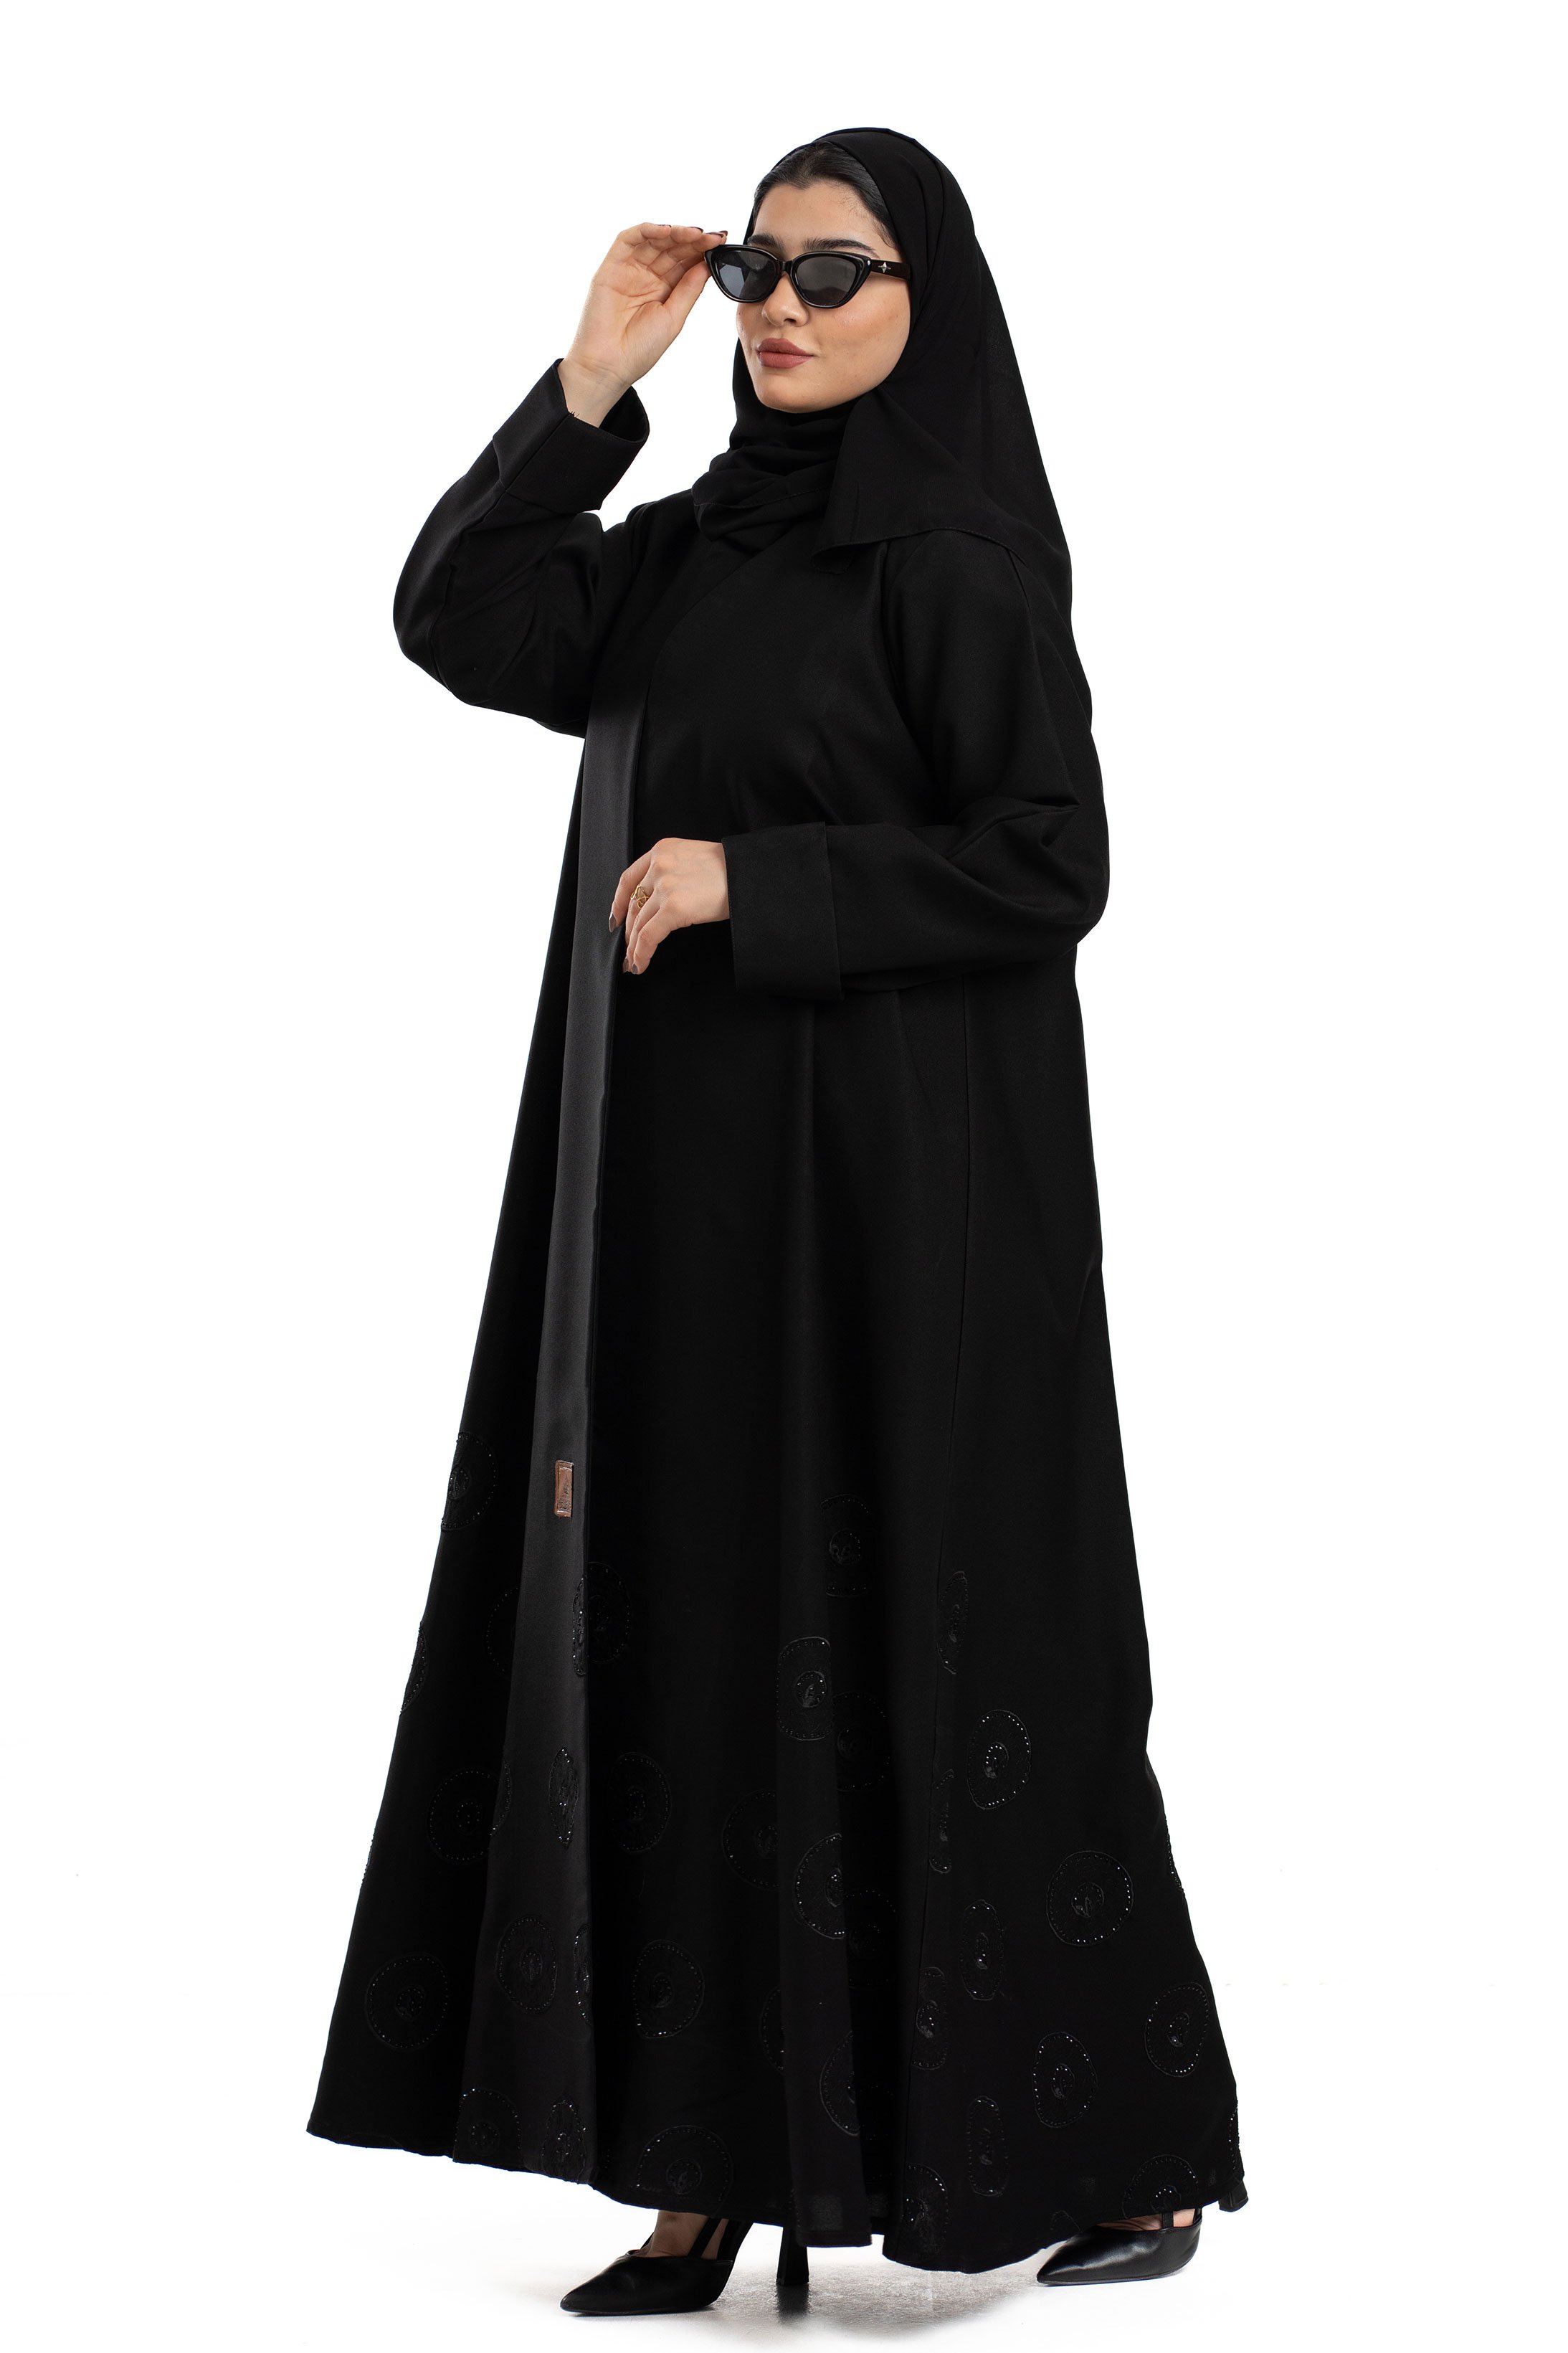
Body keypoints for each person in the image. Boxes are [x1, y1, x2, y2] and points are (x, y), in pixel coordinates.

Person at [307, 126, 1246, 2311]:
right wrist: (586, 384)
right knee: (693, 1625)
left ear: (933, 304)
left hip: (913, 1217)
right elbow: (459, 618)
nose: (783, 307)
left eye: (835, 270)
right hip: (684, 1209)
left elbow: (1051, 858)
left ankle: (1116, 2153)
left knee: (961, 1635)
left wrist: (765, 882)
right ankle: (703, 2161)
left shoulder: (961, 561)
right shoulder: (692, 546)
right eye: (756, 268)